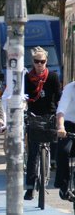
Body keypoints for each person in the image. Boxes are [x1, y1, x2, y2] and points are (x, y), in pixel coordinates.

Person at [24, 46, 61, 201]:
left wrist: (60, 113)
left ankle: (52, 161)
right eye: (36, 61)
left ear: (46, 62)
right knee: (32, 152)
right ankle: (31, 187)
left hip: (49, 114)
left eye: (42, 61)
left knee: (55, 137)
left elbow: (58, 96)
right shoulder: (27, 77)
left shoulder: (52, 77)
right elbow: (23, 96)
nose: (39, 64)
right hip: (34, 115)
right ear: (32, 62)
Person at [54, 82, 75, 201]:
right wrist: (61, 127)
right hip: (68, 124)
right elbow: (61, 110)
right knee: (63, 150)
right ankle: (63, 184)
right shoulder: (70, 88)